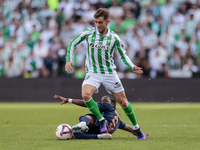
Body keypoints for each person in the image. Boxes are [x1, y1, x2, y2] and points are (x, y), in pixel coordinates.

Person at [65, 8, 145, 140]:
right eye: (96, 22)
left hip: (109, 74)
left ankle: (136, 128)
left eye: (100, 22)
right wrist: (69, 59)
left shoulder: (114, 38)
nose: (97, 25)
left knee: (123, 103)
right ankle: (101, 120)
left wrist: (132, 66)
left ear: (107, 22)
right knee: (85, 95)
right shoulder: (88, 33)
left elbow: (122, 55)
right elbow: (72, 43)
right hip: (93, 72)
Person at [54, 94, 148, 140]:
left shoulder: (108, 106)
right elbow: (129, 128)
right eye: (102, 101)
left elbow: (88, 104)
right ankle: (100, 136)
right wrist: (141, 135)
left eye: (105, 101)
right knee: (76, 134)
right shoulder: (118, 120)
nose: (102, 102)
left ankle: (83, 123)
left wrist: (69, 100)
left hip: (100, 126)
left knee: (87, 116)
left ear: (112, 104)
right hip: (104, 130)